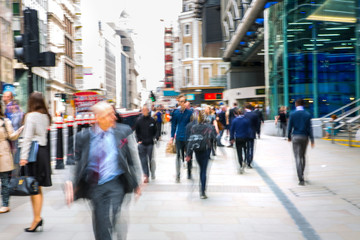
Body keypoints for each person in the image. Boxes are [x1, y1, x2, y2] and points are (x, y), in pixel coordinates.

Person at [65, 101, 142, 240]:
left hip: (116, 182)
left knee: (114, 215)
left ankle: (115, 229)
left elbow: (131, 159)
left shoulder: (122, 131)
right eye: (108, 115)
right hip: (95, 185)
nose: (113, 117)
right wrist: (70, 182)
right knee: (100, 220)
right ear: (98, 118)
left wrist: (137, 182)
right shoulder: (84, 136)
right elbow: (74, 162)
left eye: (112, 114)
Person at [19, 92, 52, 232]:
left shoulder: (31, 116)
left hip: (33, 153)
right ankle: (36, 218)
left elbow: (27, 138)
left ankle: (37, 218)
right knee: (37, 187)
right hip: (43, 152)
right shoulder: (46, 116)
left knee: (34, 186)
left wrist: (23, 157)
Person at [185, 111, 216, 199]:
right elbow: (214, 137)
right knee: (204, 170)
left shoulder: (194, 127)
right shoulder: (209, 127)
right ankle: (202, 191)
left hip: (197, 150)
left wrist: (188, 154)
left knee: (200, 169)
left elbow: (191, 141)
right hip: (206, 150)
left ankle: (201, 189)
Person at [0, 104, 23, 214]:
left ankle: (5, 204)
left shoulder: (5, 121)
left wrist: (18, 131)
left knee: (4, 181)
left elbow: (12, 136)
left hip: (2, 152)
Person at [287, 99, 314, 186]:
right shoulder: (307, 114)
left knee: (297, 157)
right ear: (303, 105)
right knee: (302, 156)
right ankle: (302, 173)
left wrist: (288, 136)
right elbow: (310, 128)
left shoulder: (292, 114)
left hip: (295, 136)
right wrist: (312, 140)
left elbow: (290, 126)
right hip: (305, 137)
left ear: (296, 104)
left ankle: (300, 178)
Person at [170, 95, 193, 182]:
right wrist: (172, 137)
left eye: (183, 101)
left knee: (189, 155)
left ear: (185, 102)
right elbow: (173, 125)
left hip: (188, 138)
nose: (181, 103)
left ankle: (189, 173)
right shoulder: (175, 113)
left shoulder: (190, 113)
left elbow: (192, 125)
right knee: (178, 156)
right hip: (179, 137)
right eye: (180, 102)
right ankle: (178, 175)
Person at [135, 106, 157, 183]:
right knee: (143, 160)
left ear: (148, 111)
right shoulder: (139, 120)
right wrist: (138, 140)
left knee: (151, 160)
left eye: (146, 110)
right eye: (143, 110)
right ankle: (146, 175)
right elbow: (136, 131)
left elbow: (155, 130)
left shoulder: (152, 120)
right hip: (142, 144)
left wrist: (154, 138)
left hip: (150, 143)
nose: (144, 111)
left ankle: (152, 171)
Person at [230, 108, 251, 174]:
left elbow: (232, 130)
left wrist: (232, 138)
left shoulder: (234, 120)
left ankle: (240, 163)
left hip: (238, 138)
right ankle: (245, 160)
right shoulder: (246, 120)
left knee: (239, 151)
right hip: (245, 137)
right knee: (245, 149)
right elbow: (249, 130)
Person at [244, 104, 259, 168]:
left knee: (246, 148)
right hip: (252, 133)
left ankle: (246, 159)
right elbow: (257, 124)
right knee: (251, 148)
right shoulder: (254, 115)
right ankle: (250, 161)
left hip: (245, 133)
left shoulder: (244, 115)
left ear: (246, 108)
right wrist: (257, 131)